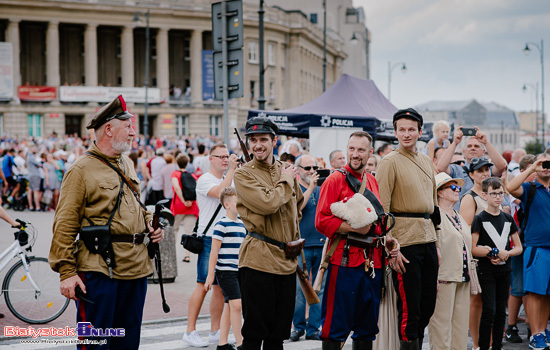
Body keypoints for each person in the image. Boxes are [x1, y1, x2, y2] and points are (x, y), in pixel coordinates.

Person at [49, 95, 163, 349]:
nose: (134, 133)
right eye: (128, 127)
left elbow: (136, 205)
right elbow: (64, 225)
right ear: (109, 129)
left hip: (136, 268)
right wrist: (67, 273)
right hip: (100, 270)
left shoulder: (128, 163)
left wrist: (150, 223)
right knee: (96, 343)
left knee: (128, 340)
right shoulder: (81, 170)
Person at [316, 130, 400, 350]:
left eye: (361, 150)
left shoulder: (372, 181)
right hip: (343, 263)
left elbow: (377, 221)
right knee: (335, 328)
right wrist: (355, 227)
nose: (355, 154)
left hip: (373, 264)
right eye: (351, 149)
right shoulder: (335, 179)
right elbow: (321, 220)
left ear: (370, 152)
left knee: (367, 328)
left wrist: (389, 239)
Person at [233, 116, 304, 350]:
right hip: (258, 261)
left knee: (278, 335)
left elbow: (296, 207)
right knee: (254, 334)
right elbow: (268, 204)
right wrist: (286, 179)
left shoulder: (285, 170)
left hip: (286, 261)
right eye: (252, 140)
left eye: (263, 139)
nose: (258, 145)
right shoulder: (244, 175)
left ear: (274, 141)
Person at [376, 108, 439, 350]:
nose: (406, 134)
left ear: (420, 132)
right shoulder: (389, 162)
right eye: (401, 129)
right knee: (409, 310)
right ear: (395, 132)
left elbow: (433, 208)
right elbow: (382, 210)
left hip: (428, 239)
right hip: (404, 242)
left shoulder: (425, 160)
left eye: (411, 129)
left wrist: (437, 243)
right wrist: (391, 247)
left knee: (427, 306)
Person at [182, 143, 239, 348]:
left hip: (227, 237)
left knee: (219, 289)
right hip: (209, 238)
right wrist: (232, 170)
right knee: (202, 284)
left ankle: (215, 332)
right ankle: (190, 330)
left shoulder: (230, 178)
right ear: (211, 159)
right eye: (221, 156)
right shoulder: (205, 179)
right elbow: (221, 193)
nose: (225, 159)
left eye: (227, 156)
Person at [428, 173, 479, 350]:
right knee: (441, 327)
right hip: (444, 277)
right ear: (440, 192)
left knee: (460, 327)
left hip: (462, 276)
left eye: (458, 187)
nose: (458, 190)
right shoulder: (434, 215)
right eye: (453, 187)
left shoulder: (458, 215)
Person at [471, 177, 522, 350]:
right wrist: (492, 252)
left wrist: (506, 253)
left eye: (501, 193)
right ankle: (484, 346)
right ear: (485, 195)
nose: (498, 197)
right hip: (486, 271)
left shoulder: (507, 218)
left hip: (505, 270)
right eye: (493, 193)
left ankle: (498, 346)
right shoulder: (480, 218)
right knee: (489, 311)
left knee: (501, 312)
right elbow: (473, 248)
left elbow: (518, 247)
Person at [507, 153, 550, 350]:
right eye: (543, 164)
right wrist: (533, 169)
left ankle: (542, 330)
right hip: (536, 247)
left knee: (547, 293)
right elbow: (510, 187)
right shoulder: (529, 188)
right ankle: (536, 334)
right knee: (534, 292)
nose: (546, 167)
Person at [205, 187, 246, 350]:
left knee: (229, 305)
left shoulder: (242, 224)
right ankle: (241, 342)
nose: (240, 204)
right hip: (225, 272)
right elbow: (214, 251)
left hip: (239, 271)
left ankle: (222, 344)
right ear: (227, 204)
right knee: (237, 305)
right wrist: (210, 276)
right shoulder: (221, 224)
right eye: (237, 201)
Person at [458, 156, 492, 350]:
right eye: (480, 170)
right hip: (478, 255)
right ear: (471, 175)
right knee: (476, 300)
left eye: (487, 169)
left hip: (497, 254)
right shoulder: (470, 197)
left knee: (492, 302)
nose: (485, 173)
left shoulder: (494, 193)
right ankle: (478, 344)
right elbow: (466, 228)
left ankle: (490, 341)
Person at [290, 154, 323, 342]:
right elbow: (296, 209)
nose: (311, 171)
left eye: (314, 168)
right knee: (300, 291)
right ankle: (298, 327)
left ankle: (313, 329)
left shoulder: (321, 188)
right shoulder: (294, 188)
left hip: (320, 244)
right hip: (301, 246)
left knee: (318, 289)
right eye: (307, 168)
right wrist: (310, 188)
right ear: (298, 170)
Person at [436, 126, 507, 206]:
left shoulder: (487, 169)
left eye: (476, 146)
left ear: (483, 151)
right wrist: (455, 143)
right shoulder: (457, 170)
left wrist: (486, 142)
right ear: (464, 151)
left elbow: (501, 166)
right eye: (469, 146)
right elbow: (440, 168)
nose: (473, 148)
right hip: (463, 215)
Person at [505, 154, 535, 344]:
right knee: (517, 288)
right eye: (533, 170)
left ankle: (534, 326)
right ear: (524, 172)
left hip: (533, 243)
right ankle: (511, 325)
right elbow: (514, 196)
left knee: (533, 289)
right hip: (518, 244)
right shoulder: (519, 190)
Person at [171, 153, 199, 263]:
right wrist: (190, 201)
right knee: (189, 231)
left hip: (178, 206)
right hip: (192, 207)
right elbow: (197, 189)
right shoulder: (192, 176)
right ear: (187, 164)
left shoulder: (175, 174)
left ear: (177, 163)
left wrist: (183, 201)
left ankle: (172, 253)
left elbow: (177, 188)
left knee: (174, 230)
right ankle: (187, 255)